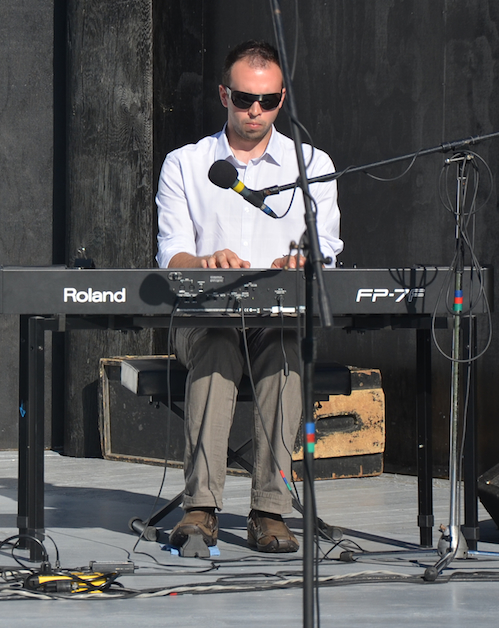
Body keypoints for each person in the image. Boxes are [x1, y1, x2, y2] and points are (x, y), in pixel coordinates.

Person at [155, 41, 342, 553]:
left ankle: (269, 510)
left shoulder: (311, 165)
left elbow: (327, 249)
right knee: (215, 347)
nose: (255, 110)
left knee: (286, 352)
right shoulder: (186, 164)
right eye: (243, 99)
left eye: (268, 100)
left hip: (276, 317)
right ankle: (200, 508)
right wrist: (205, 261)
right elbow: (171, 255)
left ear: (282, 99)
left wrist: (304, 261)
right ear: (223, 95)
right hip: (203, 316)